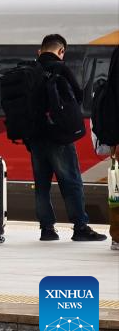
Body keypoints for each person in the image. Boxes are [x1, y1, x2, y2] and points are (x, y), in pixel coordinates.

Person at [27, 34, 106, 242]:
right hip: (59, 136)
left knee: (41, 185)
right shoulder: (60, 68)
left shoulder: (29, 70)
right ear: (61, 51)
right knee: (71, 182)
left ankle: (47, 229)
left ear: (40, 50)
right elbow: (79, 97)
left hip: (35, 137)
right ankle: (80, 227)